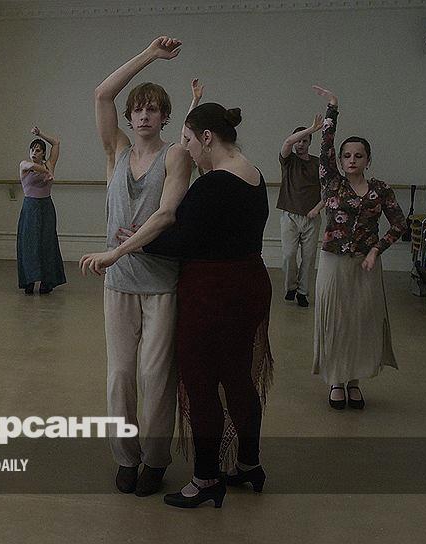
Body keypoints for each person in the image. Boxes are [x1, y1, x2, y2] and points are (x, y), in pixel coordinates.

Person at [82, 99, 272, 509]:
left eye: (188, 140)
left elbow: (182, 238)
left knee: (201, 385)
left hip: (212, 292)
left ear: (207, 138)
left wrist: (133, 244)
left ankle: (205, 479)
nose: (185, 149)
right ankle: (248, 463)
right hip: (251, 283)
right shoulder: (254, 175)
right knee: (238, 378)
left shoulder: (212, 184)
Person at [79, 36, 192, 497]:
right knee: (121, 375)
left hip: (160, 282)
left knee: (155, 376)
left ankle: (156, 458)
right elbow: (102, 93)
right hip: (120, 285)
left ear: (165, 117)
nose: (145, 115)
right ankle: (126, 456)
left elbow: (166, 215)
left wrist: (117, 251)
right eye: (138, 109)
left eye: (153, 109)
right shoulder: (117, 152)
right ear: (130, 117)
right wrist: (149, 55)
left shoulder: (176, 155)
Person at [311, 85, 406, 409]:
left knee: (362, 322)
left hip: (366, 264)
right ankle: (336, 380)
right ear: (340, 160)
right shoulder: (332, 182)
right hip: (334, 262)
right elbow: (325, 146)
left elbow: (399, 224)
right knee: (336, 321)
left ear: (368, 159)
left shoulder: (381, 189)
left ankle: (354, 381)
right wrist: (332, 108)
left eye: (358, 155)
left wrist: (376, 250)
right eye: (347, 155)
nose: (352, 160)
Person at [278, 116, 325, 307]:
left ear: (310, 143)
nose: (300, 144)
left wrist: (317, 209)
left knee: (309, 257)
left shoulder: (318, 163)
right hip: (289, 215)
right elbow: (287, 143)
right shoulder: (288, 160)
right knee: (289, 254)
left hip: (311, 217)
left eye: (305, 141)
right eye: (299, 140)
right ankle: (291, 286)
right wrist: (311, 129)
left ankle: (303, 292)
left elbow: (329, 190)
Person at [17, 126, 66, 294]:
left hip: (46, 207)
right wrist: (46, 171)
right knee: (29, 243)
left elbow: (56, 143)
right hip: (30, 207)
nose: (34, 153)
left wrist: (40, 134)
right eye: (32, 150)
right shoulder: (24, 165)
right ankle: (29, 280)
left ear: (43, 153)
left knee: (47, 243)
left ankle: (47, 281)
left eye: (38, 150)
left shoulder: (49, 163)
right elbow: (32, 166)